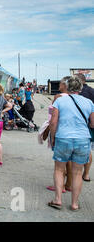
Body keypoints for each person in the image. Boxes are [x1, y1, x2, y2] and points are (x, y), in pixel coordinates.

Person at [47, 76, 94, 211]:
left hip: (64, 138)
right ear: (80, 88)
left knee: (59, 169)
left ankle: (58, 200)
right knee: (78, 173)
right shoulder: (89, 103)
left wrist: (53, 137)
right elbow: (93, 123)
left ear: (67, 87)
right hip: (82, 140)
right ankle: (74, 204)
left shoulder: (60, 101)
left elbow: (53, 122)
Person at [45, 76, 72, 193]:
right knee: (69, 160)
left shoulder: (58, 97)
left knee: (60, 163)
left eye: (60, 83)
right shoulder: (74, 97)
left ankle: (59, 186)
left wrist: (50, 133)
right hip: (71, 130)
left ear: (65, 85)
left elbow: (53, 117)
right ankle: (68, 184)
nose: (59, 85)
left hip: (60, 130)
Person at [75, 73, 94, 182]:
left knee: (74, 149)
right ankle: (86, 174)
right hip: (89, 124)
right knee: (87, 150)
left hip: (77, 124)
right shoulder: (92, 91)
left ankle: (73, 173)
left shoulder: (78, 93)